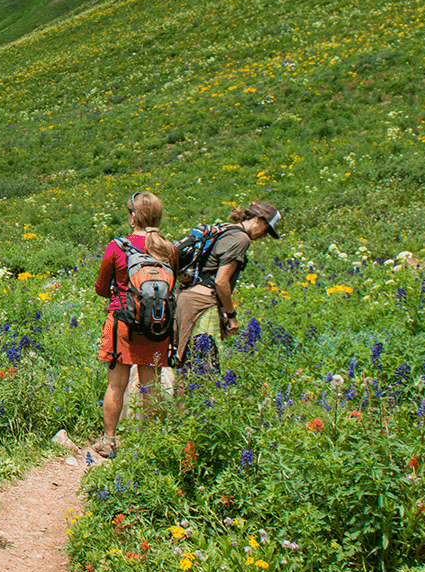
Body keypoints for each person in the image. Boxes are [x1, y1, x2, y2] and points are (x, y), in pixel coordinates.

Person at [91, 191, 180, 459]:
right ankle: (149, 444)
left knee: (116, 385)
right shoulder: (169, 249)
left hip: (122, 324)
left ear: (133, 218)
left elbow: (100, 288)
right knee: (150, 386)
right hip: (156, 326)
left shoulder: (117, 246)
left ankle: (109, 441)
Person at [172, 200, 284, 372]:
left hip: (185, 298)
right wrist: (231, 315)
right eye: (267, 229)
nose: (265, 235)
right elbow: (221, 281)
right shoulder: (241, 239)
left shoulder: (225, 228)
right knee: (203, 369)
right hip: (202, 304)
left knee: (185, 365)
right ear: (258, 220)